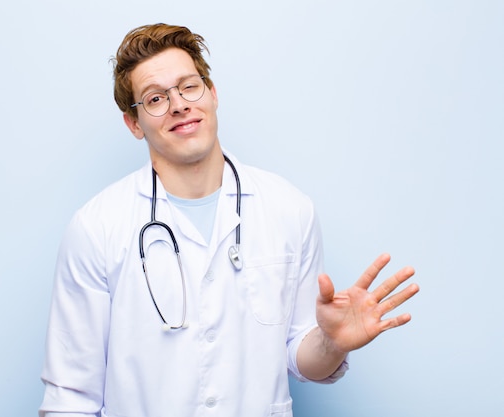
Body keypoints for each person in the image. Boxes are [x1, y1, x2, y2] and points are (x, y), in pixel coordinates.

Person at [39, 23, 420, 417]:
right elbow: (70, 399)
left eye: (189, 87)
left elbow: (301, 358)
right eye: (155, 98)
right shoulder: (97, 227)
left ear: (213, 93)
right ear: (134, 124)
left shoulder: (289, 209)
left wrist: (333, 342)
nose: (179, 105)